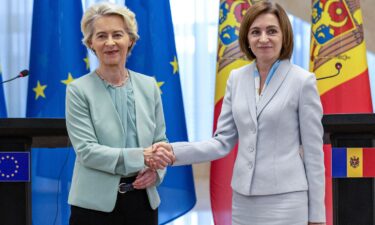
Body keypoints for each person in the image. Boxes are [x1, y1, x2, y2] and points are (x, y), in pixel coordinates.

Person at [150, 1, 326, 225]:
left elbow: (313, 154)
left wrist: (317, 216)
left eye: (271, 31)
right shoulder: (236, 78)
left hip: (287, 201)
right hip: (244, 201)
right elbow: (221, 142)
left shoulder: (302, 81)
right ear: (247, 38)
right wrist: (172, 152)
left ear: (285, 36)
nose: (263, 38)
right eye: (256, 32)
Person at [65, 2, 173, 225]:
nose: (110, 42)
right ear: (91, 43)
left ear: (130, 40)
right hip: (93, 205)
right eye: (102, 36)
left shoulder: (149, 85)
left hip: (143, 200)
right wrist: (142, 157)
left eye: (118, 34)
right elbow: (86, 151)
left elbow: (160, 141)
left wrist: (157, 173)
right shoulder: (77, 90)